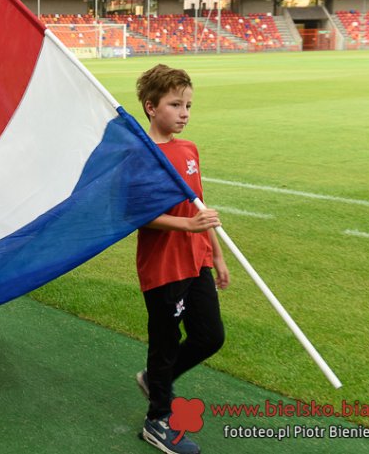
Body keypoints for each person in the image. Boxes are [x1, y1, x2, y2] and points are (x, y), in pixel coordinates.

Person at [134, 64, 229, 454]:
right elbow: (138, 214)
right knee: (166, 343)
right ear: (151, 107)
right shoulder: (142, 155)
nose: (185, 113)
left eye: (188, 104)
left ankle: (156, 379)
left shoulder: (189, 149)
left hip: (197, 259)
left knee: (210, 336)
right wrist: (185, 227)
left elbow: (200, 207)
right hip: (163, 267)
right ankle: (156, 421)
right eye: (175, 104)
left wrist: (217, 254)